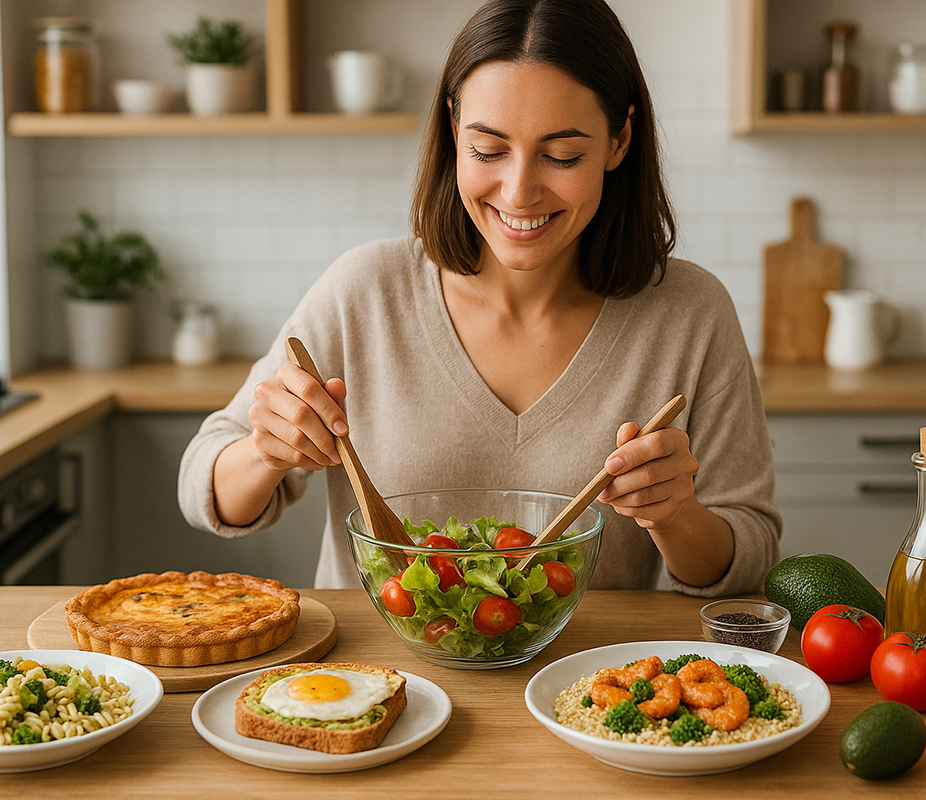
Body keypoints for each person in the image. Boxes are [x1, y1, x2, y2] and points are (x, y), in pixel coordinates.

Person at [179, 0, 781, 595]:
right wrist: (265, 451)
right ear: (452, 130)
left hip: (587, 663)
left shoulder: (691, 313)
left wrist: (674, 515)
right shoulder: (363, 291)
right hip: (374, 661)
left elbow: (749, 557)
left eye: (562, 155)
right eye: (488, 151)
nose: (518, 192)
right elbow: (202, 486)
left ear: (619, 140)